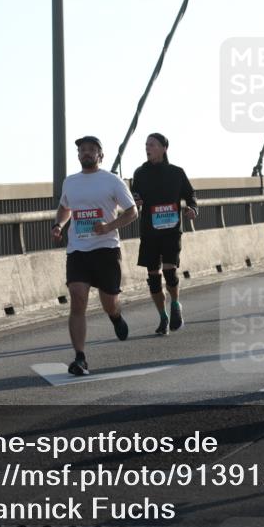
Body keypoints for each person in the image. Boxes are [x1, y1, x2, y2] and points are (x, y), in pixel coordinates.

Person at [52, 136, 138, 376]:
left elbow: (132, 211)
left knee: (109, 302)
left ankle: (116, 316)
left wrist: (108, 226)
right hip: (78, 250)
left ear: (101, 155)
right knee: (78, 297)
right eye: (82, 150)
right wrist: (59, 224)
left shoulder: (112, 181)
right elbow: (65, 207)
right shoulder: (70, 182)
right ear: (78, 155)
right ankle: (80, 358)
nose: (86, 153)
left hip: (106, 249)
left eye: (91, 149)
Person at [130, 133, 198, 334]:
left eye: (152, 144)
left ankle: (176, 305)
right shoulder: (140, 173)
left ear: (163, 148)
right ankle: (162, 317)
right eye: (146, 144)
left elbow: (190, 195)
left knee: (169, 271)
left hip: (171, 230)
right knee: (153, 277)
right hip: (150, 231)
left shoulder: (176, 173)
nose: (147, 148)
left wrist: (192, 209)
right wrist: (136, 200)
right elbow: (135, 197)